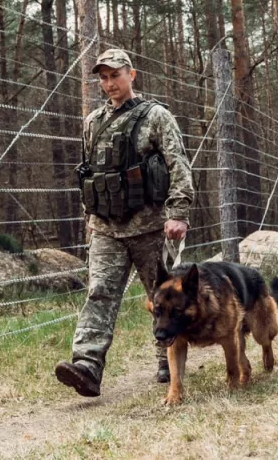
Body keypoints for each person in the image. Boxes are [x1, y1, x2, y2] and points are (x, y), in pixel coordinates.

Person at [55, 48, 194, 397]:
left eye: (115, 75)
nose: (109, 83)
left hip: (149, 225)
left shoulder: (156, 116)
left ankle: (168, 359)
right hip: (106, 228)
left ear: (131, 75)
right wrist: (90, 215)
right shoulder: (92, 122)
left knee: (161, 296)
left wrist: (178, 212)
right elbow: (92, 173)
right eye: (103, 77)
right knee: (99, 293)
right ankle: (87, 365)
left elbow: (178, 163)